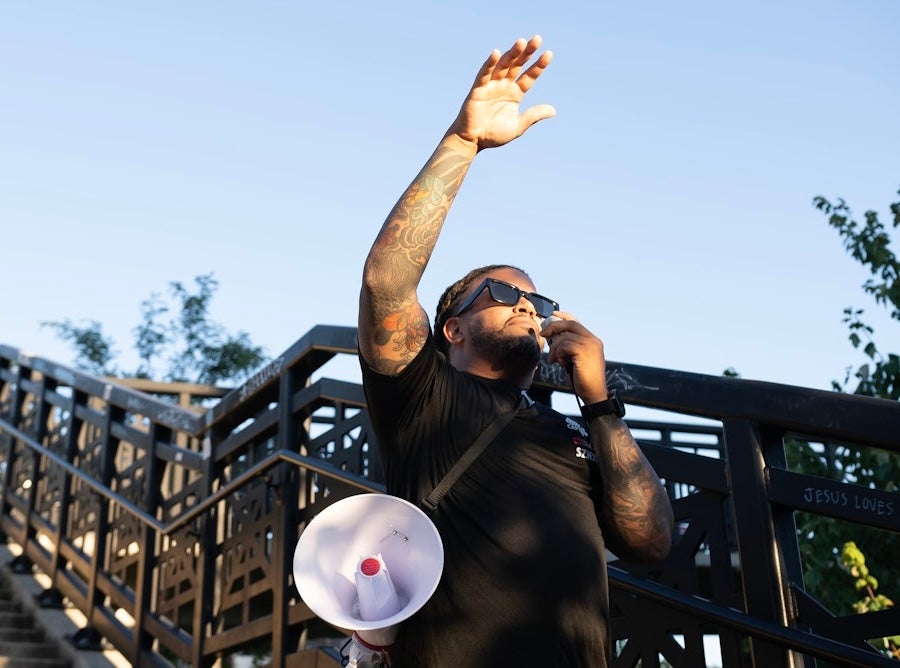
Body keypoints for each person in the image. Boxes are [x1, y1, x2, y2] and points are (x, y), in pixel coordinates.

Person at [357, 35, 674, 667]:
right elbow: (386, 283)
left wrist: (600, 403)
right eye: (505, 292)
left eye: (543, 302)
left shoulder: (569, 432)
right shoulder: (424, 397)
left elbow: (651, 541)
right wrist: (464, 140)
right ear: (452, 328)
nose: (531, 306)